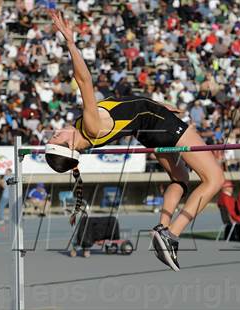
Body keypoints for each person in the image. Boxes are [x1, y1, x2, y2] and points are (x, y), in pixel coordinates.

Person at [45, 10, 224, 271]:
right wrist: (70, 42)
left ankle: (163, 230)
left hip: (150, 126)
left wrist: (156, 105)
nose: (56, 131)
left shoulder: (86, 129)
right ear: (70, 146)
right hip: (157, 124)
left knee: (180, 179)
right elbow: (83, 80)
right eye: (57, 137)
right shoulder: (90, 127)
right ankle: (172, 234)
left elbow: (126, 107)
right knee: (215, 179)